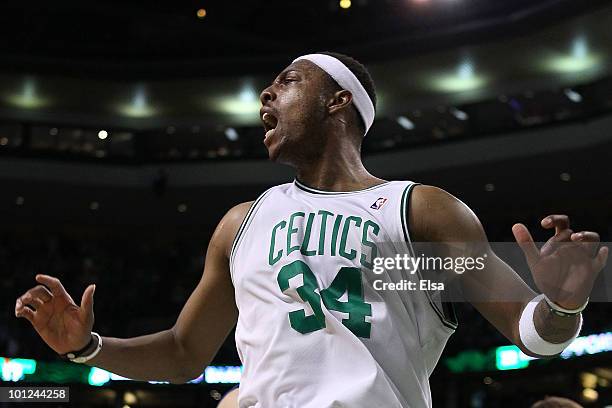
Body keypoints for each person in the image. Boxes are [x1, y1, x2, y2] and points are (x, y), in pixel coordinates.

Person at [15, 52, 608, 407]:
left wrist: (562, 303)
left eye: (287, 81)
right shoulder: (240, 224)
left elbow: (533, 333)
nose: (265, 94)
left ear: (337, 101)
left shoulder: (420, 215)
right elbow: (183, 351)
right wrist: (88, 348)